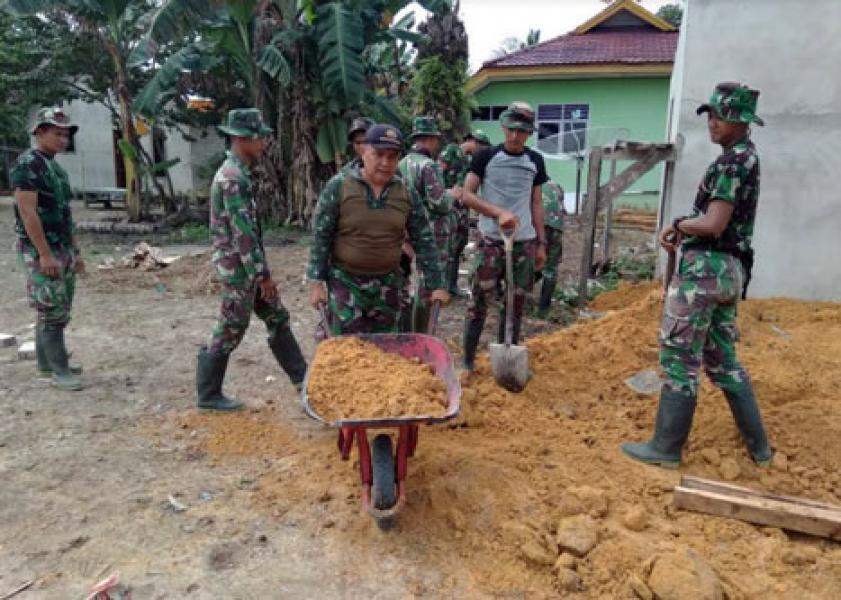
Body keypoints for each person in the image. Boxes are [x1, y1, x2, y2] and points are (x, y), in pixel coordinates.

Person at [621, 82, 773, 468]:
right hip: (729, 273)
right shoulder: (748, 157)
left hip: (703, 273)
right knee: (723, 359)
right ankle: (760, 448)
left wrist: (679, 225)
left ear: (740, 120)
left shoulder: (729, 164)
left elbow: (714, 223)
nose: (712, 123)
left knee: (678, 357)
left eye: (721, 116)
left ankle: (665, 448)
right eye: (711, 115)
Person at [197, 108, 307, 411]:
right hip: (239, 271)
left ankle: (303, 380)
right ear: (241, 138)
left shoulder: (237, 173)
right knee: (231, 326)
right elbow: (243, 234)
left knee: (277, 317)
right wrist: (262, 276)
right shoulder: (232, 178)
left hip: (245, 268)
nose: (264, 142)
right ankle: (208, 395)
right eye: (259, 137)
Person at [307, 124, 449, 334]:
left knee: (386, 351)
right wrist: (316, 283)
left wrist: (437, 284)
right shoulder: (339, 186)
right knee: (347, 351)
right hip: (346, 283)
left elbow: (424, 239)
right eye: (379, 154)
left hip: (388, 284)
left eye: (392, 157)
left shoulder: (405, 192)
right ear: (365, 151)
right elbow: (321, 236)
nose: (385, 163)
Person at [460, 102, 547, 373]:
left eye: (521, 131)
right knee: (479, 302)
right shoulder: (485, 156)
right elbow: (467, 195)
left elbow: (536, 203)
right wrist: (498, 212)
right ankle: (468, 362)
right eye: (511, 129)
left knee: (515, 303)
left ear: (529, 133)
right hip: (491, 242)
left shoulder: (534, 160)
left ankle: (504, 361)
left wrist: (541, 243)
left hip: (524, 243)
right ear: (503, 127)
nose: (514, 136)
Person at [11, 107, 84, 391]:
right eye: (57, 134)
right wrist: (44, 254)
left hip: (61, 245)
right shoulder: (27, 165)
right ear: (39, 132)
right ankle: (59, 370)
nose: (63, 139)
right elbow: (28, 213)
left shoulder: (53, 166)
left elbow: (65, 213)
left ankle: (46, 363)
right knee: (51, 308)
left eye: (66, 135)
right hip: (40, 248)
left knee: (57, 307)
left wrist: (75, 251)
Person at [398, 116, 459, 332]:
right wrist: (452, 194)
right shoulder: (428, 166)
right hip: (431, 234)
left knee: (415, 283)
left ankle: (412, 330)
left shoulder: (402, 163)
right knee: (429, 286)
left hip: (408, 230)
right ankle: (422, 333)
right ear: (431, 139)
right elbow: (438, 203)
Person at [439, 142, 470, 296]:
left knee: (457, 247)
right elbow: (440, 169)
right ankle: (444, 286)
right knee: (449, 248)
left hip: (461, 210)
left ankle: (451, 285)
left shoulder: (466, 160)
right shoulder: (451, 150)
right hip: (451, 208)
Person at [537, 180, 565, 316]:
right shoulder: (556, 185)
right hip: (556, 228)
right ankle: (543, 308)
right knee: (550, 269)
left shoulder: (532, 183)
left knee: (529, 261)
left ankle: (517, 298)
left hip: (539, 225)